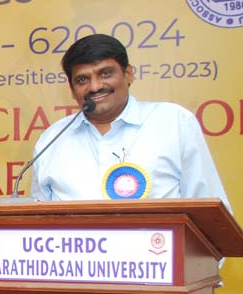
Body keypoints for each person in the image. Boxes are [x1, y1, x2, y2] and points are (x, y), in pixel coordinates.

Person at [29, 34, 230, 205]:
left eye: (105, 73)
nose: (95, 87)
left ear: (128, 74)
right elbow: (37, 222)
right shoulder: (52, 140)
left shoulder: (174, 122)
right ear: (72, 89)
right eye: (82, 79)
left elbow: (208, 206)